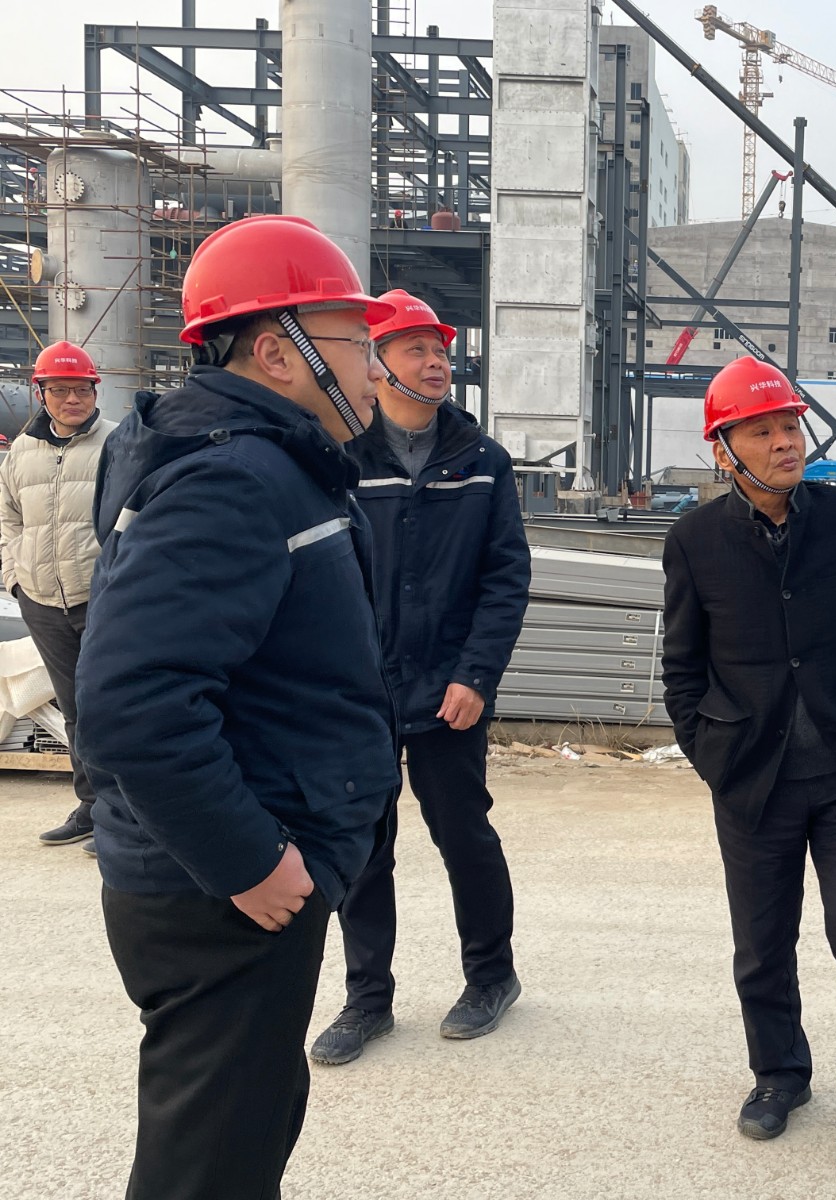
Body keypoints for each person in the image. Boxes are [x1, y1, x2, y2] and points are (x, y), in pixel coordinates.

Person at [73, 214, 401, 1200]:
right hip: (219, 893)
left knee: (237, 1139)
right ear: (277, 352)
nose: (376, 369)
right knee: (209, 1167)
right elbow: (133, 701)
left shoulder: (265, 462)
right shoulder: (232, 479)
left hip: (231, 874)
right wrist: (250, 861)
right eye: (358, 342)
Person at [661, 357, 836, 1177]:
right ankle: (778, 1075)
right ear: (725, 449)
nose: (786, 442)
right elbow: (682, 666)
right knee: (761, 944)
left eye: (790, 425)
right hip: (753, 778)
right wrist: (708, 750)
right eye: (763, 431)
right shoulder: (695, 540)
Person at [310, 289, 530, 1066]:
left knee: (464, 835)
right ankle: (367, 999)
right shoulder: (341, 459)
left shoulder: (481, 462)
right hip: (360, 692)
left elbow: (505, 579)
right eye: (416, 349)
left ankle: (491, 977)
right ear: (375, 364)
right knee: (365, 844)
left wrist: (476, 676)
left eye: (440, 350)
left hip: (449, 690)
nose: (436, 362)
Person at [0, 340, 116, 851]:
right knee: (74, 710)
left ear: (95, 391)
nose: (73, 399)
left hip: (103, 600)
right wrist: (15, 579)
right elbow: (8, 518)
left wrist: (123, 582)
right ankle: (92, 807)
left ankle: (125, 815)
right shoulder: (22, 452)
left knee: (114, 705)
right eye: (61, 390)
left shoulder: (119, 444)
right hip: (42, 601)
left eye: (82, 389)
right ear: (40, 393)